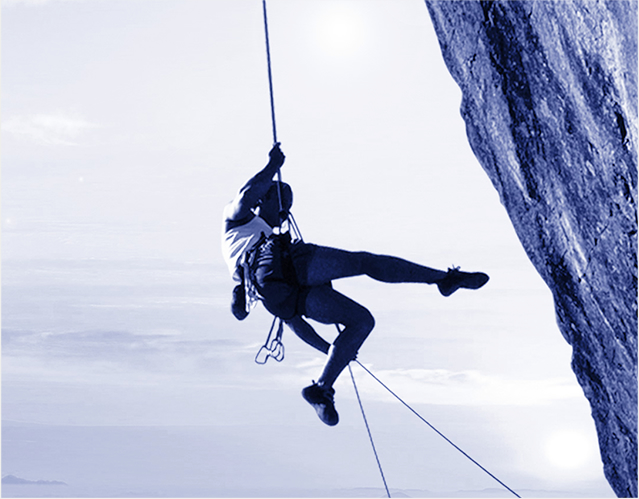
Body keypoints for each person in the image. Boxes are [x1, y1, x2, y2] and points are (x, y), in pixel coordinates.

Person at [222, 144, 489, 426]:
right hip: (280, 265)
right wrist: (272, 166)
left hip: (276, 294)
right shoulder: (237, 220)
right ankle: (444, 279)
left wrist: (333, 352)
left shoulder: (253, 247)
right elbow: (247, 194)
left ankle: (321, 389)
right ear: (264, 199)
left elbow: (294, 321)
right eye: (282, 205)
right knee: (364, 262)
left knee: (362, 322)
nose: (285, 214)